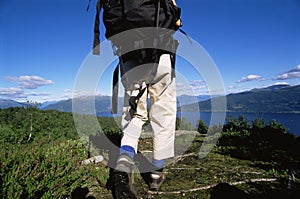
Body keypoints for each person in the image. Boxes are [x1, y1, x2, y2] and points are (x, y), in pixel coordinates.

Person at [112, 0, 182, 198]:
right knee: (164, 114)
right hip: (162, 57)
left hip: (130, 60)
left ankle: (123, 167)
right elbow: (176, 23)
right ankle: (156, 175)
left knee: (134, 114)